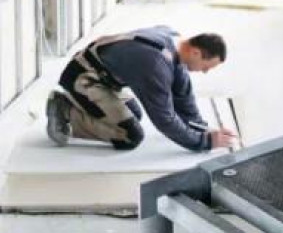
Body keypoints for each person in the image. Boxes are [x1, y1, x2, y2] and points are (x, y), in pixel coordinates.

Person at [44, 27, 236, 152]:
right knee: (130, 135)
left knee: (135, 114)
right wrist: (204, 142)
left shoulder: (174, 41)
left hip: (104, 76)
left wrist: (201, 128)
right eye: (206, 66)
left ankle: (80, 107)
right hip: (83, 78)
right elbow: (165, 120)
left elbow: (182, 94)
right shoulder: (155, 64)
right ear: (195, 52)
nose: (204, 72)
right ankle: (66, 110)